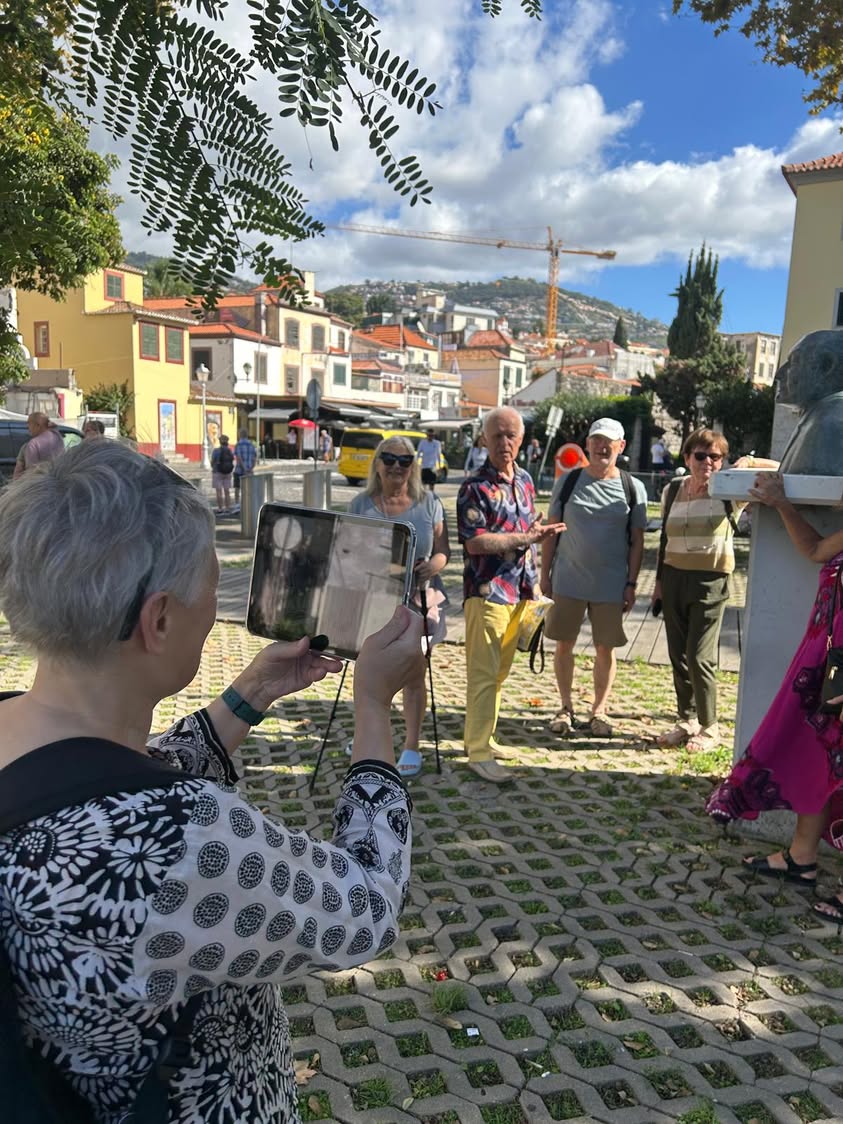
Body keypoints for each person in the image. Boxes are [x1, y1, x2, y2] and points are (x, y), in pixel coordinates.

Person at [0, 439, 422, 1121]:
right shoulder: (182, 839)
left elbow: (91, 785)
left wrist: (247, 695)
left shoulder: (20, 732)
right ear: (159, 619)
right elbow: (364, 911)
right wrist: (372, 711)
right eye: (209, 582)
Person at [706, 469, 843, 922]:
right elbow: (814, 549)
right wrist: (782, 502)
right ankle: (801, 858)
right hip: (826, 670)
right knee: (819, 758)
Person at [458, 406, 564, 782]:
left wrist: (535, 583)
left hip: (519, 592)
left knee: (500, 673)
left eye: (511, 435)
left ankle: (483, 738)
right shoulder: (474, 486)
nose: (504, 442)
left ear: (522, 440)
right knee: (484, 675)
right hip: (487, 593)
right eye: (497, 435)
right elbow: (475, 543)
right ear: (484, 439)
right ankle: (478, 752)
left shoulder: (524, 481)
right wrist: (527, 537)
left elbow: (527, 532)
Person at [349, 435, 451, 778]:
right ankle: (370, 736)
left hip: (419, 601)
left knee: (412, 674)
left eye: (404, 461)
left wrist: (434, 566)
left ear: (413, 467)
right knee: (369, 673)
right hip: (373, 598)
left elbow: (442, 551)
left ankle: (411, 743)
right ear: (377, 463)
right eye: (389, 459)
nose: (396, 466)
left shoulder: (430, 503)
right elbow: (349, 551)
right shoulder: (360, 505)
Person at [540, 418, 647, 739]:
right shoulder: (569, 481)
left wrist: (631, 583)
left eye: (609, 442)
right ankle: (565, 707)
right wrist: (544, 576)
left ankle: (599, 710)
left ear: (621, 447)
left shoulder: (632, 487)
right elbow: (551, 530)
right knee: (564, 645)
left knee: (605, 649)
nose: (602, 446)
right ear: (587, 444)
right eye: (596, 440)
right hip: (568, 580)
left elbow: (638, 541)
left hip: (611, 584)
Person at [652, 429, 748, 752]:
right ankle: (687, 718)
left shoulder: (729, 492)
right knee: (677, 654)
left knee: (699, 655)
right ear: (687, 458)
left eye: (716, 457)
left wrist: (743, 464)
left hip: (710, 581)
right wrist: (658, 584)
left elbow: (776, 468)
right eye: (701, 455)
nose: (708, 462)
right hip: (674, 577)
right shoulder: (673, 490)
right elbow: (664, 539)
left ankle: (710, 726)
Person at [12, 412, 65, 477]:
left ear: (38, 425)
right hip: (61, 481)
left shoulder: (33, 444)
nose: (27, 427)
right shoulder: (57, 436)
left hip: (42, 484)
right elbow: (54, 427)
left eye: (29, 423)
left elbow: (31, 473)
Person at [210, 434, 234, 513]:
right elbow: (232, 460)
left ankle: (220, 508)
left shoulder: (216, 451)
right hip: (227, 473)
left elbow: (212, 461)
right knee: (227, 491)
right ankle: (228, 507)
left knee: (219, 491)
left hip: (217, 472)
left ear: (220, 442)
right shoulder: (230, 451)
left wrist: (213, 466)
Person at [233, 427, 257, 499]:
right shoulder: (252, 445)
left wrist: (244, 469)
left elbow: (239, 459)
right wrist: (251, 468)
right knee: (248, 489)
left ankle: (237, 504)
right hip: (250, 471)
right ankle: (248, 503)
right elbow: (254, 458)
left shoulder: (238, 444)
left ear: (240, 435)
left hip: (239, 470)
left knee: (237, 488)